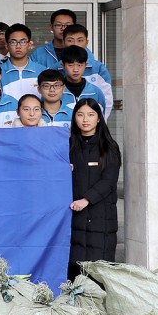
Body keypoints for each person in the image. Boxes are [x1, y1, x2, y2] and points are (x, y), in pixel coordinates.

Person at [68, 99, 122, 279]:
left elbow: (109, 181)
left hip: (101, 216)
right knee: (74, 269)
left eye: (91, 115)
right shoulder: (68, 146)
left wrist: (86, 200)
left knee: (98, 270)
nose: (85, 119)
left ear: (99, 118)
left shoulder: (109, 147)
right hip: (75, 215)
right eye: (80, 114)